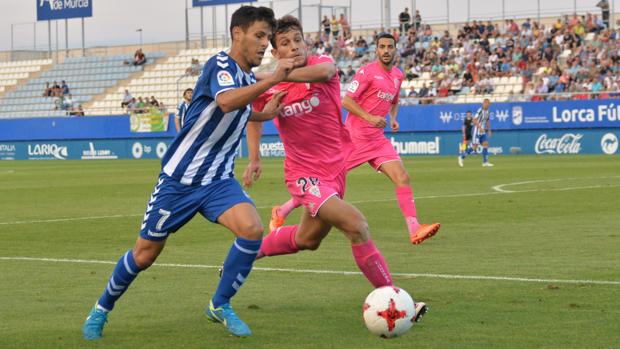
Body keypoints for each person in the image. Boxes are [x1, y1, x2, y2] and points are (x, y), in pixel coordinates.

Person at [81, 5, 296, 340]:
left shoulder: (244, 77)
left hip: (218, 181)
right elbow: (226, 102)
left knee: (252, 229)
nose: (264, 44)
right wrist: (275, 79)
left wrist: (263, 115)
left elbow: (233, 111)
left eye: (267, 38)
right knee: (145, 254)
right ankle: (100, 310)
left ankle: (219, 304)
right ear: (237, 33)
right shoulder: (220, 65)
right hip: (179, 182)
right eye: (259, 36)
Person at [246, 18, 427, 323]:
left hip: (334, 171)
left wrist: (274, 75)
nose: (293, 47)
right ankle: (395, 301)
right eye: (285, 44)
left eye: (297, 41)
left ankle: (247, 253)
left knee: (307, 239)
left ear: (306, 43)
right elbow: (254, 116)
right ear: (276, 53)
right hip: (303, 175)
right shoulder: (269, 85)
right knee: (356, 226)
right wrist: (254, 158)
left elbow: (327, 72)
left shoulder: (321, 64)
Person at [459, 99, 494, 167]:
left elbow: (487, 121)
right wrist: (480, 128)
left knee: (486, 144)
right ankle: (461, 157)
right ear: (484, 103)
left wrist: (489, 130)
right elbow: (474, 120)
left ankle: (485, 162)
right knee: (474, 147)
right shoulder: (480, 111)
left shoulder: (488, 111)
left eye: (489, 103)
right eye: (487, 103)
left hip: (482, 131)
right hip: (476, 131)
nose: (488, 105)